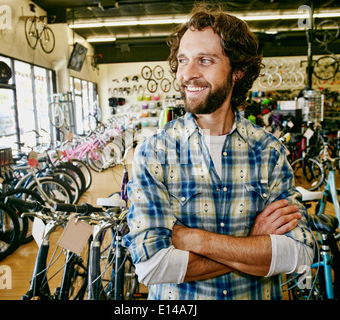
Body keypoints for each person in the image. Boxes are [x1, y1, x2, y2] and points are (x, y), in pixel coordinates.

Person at [123, 3, 314, 300]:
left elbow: (298, 254)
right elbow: (152, 266)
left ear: (237, 71)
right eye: (183, 60)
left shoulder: (269, 151)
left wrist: (191, 238)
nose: (189, 74)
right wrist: (252, 245)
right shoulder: (154, 151)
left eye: (206, 60)